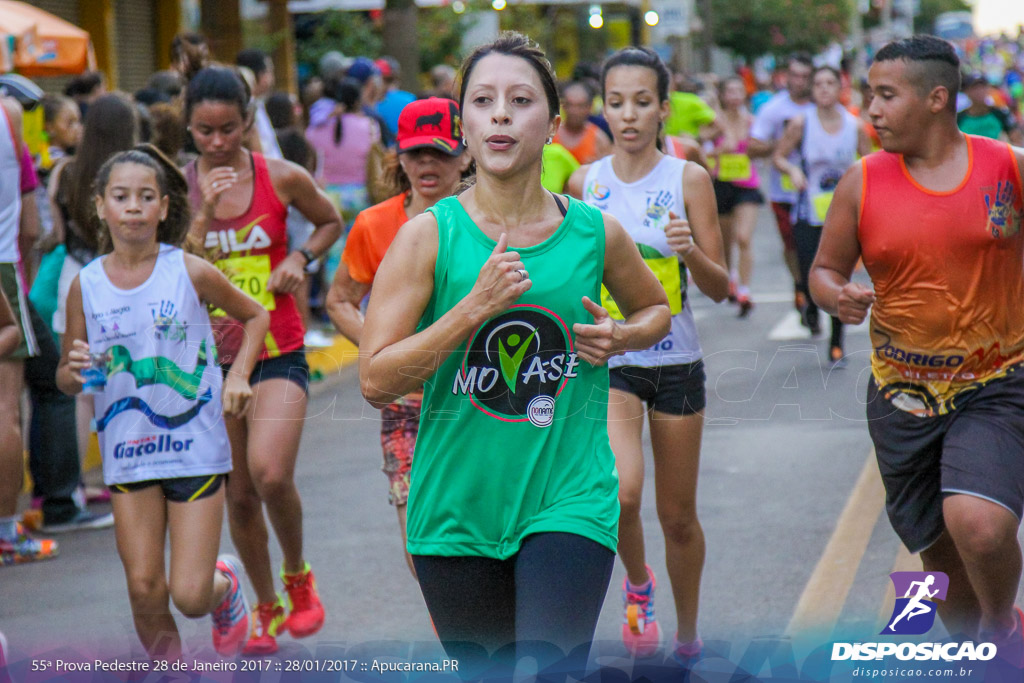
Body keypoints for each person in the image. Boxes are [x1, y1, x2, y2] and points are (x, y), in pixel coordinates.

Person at [359, 32, 670, 676]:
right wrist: (474, 308)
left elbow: (654, 310)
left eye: (520, 99)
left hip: (570, 496)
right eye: (483, 100)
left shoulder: (593, 232)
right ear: (464, 126)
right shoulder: (427, 238)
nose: (500, 113)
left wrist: (622, 336)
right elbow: (375, 378)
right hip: (456, 509)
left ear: (553, 125)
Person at [809, 36, 1024, 654]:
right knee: (945, 565)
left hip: (998, 386)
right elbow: (824, 270)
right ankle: (973, 654)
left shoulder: (1007, 168)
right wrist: (835, 295)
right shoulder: (863, 181)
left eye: (884, 95)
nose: (869, 110)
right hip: (902, 400)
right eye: (868, 94)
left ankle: (1001, 626)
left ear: (937, 99)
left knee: (979, 527)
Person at [56, 145, 270, 660]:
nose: (133, 207)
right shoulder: (84, 286)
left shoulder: (189, 271)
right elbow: (67, 378)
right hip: (128, 451)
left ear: (164, 208)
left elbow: (256, 316)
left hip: (194, 448)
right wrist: (73, 370)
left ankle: (224, 588)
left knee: (189, 597)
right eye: (121, 196)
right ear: (101, 206)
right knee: (145, 589)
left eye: (145, 197)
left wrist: (237, 376)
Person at [568, 46, 729, 663]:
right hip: (612, 360)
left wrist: (689, 252)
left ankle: (688, 633)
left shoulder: (688, 180)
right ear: (603, 109)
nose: (628, 115)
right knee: (622, 493)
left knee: (678, 516)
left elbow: (718, 288)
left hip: (678, 363)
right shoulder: (587, 184)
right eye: (616, 103)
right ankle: (639, 585)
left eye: (642, 102)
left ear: (665, 108)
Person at [184, 66, 343, 655]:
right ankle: (264, 607)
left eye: (228, 128)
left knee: (271, 472)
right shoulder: (177, 185)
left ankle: (298, 578)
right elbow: (169, 263)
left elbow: (330, 220)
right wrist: (203, 212)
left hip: (277, 346)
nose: (218, 142)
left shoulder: (282, 176)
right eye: (205, 132)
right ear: (191, 129)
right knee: (240, 494)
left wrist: (300, 258)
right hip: (206, 360)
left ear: (248, 122)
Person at [326, 97, 470, 577]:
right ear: (398, 157)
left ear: (465, 155)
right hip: (406, 404)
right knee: (420, 548)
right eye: (414, 153)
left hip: (478, 400)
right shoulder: (374, 225)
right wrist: (385, 348)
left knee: (480, 537)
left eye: (440, 152)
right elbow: (339, 300)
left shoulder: (490, 221)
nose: (426, 164)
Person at [773, 65, 871, 366]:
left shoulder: (854, 126)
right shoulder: (802, 123)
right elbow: (778, 156)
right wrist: (793, 170)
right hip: (807, 209)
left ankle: (836, 342)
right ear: (812, 90)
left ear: (841, 87)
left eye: (830, 83)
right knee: (807, 269)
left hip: (841, 213)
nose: (825, 88)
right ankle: (811, 306)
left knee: (838, 274)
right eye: (819, 83)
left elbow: (869, 164)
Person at [0, 95, 56, 566]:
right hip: (1, 268)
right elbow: (31, 220)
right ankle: (4, 531)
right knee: (4, 411)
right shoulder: (8, 112)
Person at [749, 53, 814, 314]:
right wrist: (784, 143)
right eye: (795, 75)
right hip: (783, 190)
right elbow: (753, 147)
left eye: (805, 76)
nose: (799, 81)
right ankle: (800, 284)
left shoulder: (822, 108)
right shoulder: (774, 109)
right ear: (786, 77)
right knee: (792, 245)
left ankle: (813, 290)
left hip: (818, 192)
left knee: (819, 245)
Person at [711, 76, 764, 317]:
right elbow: (699, 152)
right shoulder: (713, 123)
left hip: (747, 186)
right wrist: (718, 149)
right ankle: (731, 277)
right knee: (725, 242)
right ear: (722, 95)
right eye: (729, 91)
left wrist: (756, 149)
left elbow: (764, 148)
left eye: (738, 90)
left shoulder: (753, 122)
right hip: (721, 184)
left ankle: (745, 290)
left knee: (743, 237)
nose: (734, 95)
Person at [236, 49, 284, 159]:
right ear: (258, 74)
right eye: (269, 71)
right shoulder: (247, 109)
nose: (272, 77)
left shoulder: (259, 104)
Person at [553, 81, 612, 164]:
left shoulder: (599, 140)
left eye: (580, 106)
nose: (574, 111)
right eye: (570, 105)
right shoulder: (550, 135)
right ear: (563, 106)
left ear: (590, 107)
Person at [958, 73, 1024, 145]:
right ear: (966, 91)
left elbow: (1016, 138)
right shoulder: (959, 118)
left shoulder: (1001, 113)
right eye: (974, 88)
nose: (979, 91)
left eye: (982, 87)